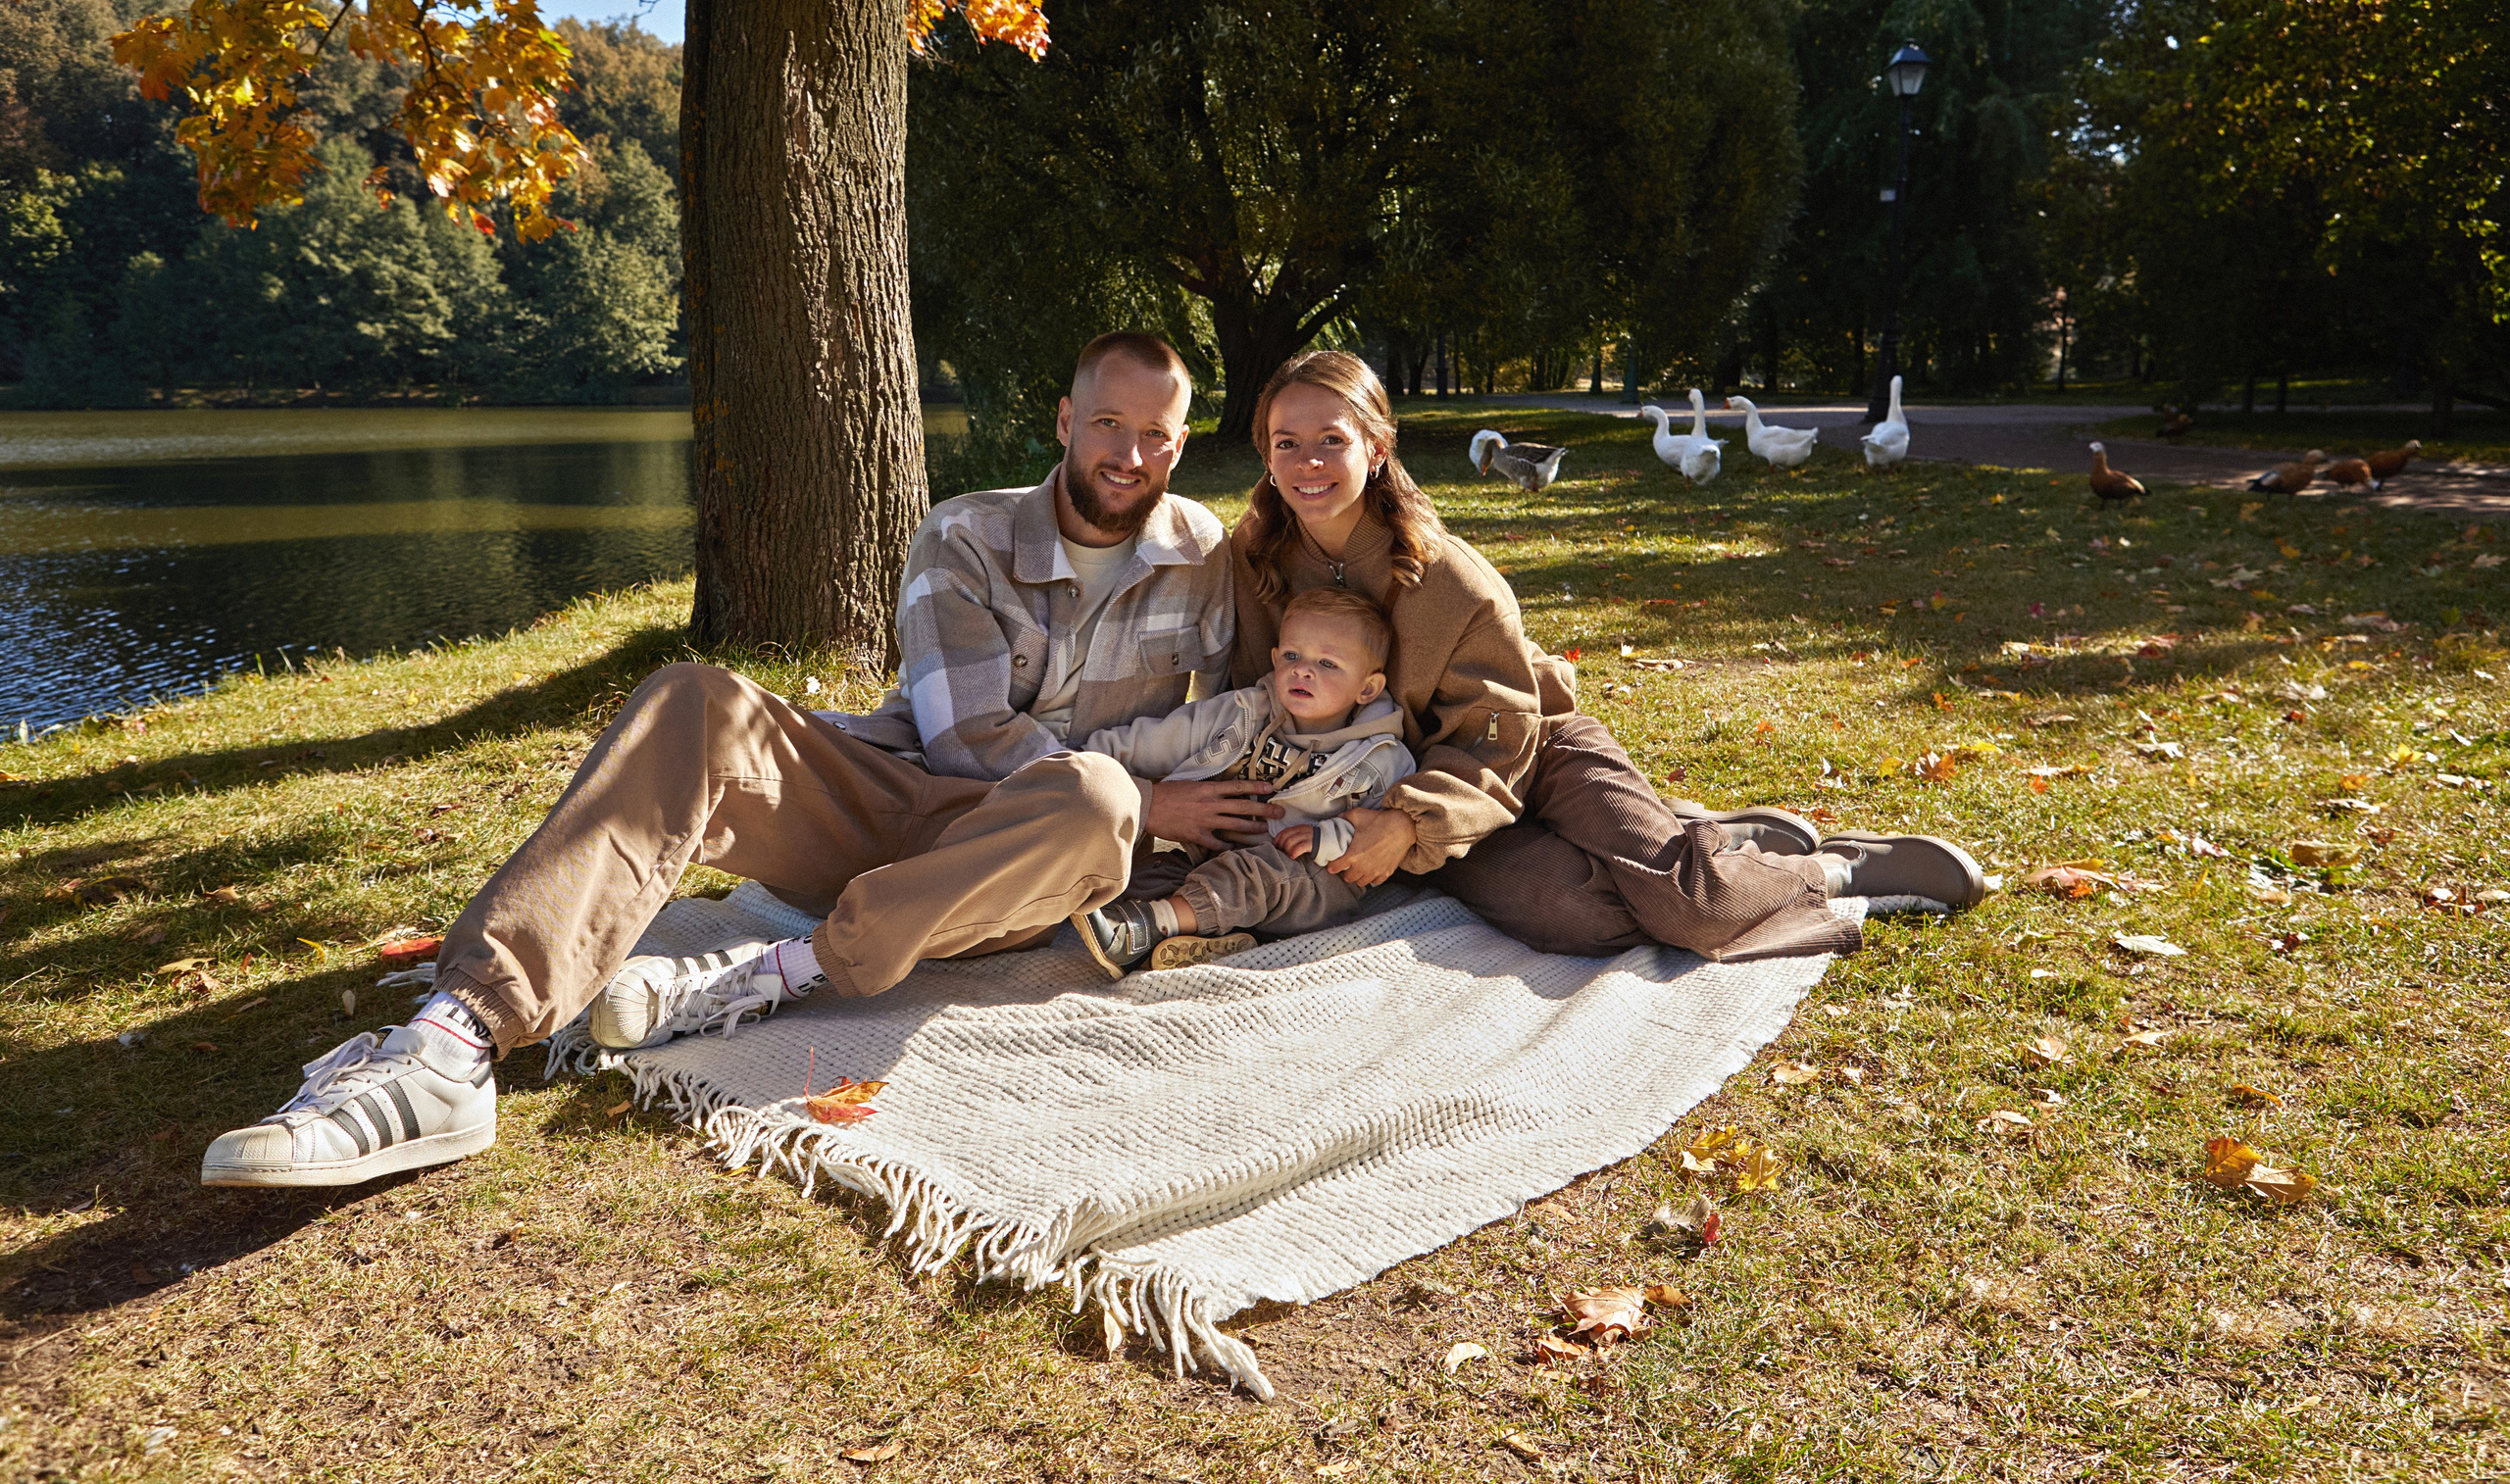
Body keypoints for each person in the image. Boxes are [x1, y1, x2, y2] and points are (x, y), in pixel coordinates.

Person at [201, 332, 1273, 1188]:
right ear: (1066, 421)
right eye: (1107, 423)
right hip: (895, 796)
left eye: (1155, 434)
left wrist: (1189, 822)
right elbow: (965, 740)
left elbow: (1243, 715)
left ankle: (777, 973)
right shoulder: (966, 535)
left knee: (1093, 801)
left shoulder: (1203, 556)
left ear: (1181, 444)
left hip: (1027, 857)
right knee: (695, 699)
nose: (1128, 454)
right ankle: (456, 1039)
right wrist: (1154, 798)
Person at [1229, 350, 1986, 963]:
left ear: (1376, 447)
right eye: (1286, 442)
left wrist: (1406, 822)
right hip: (1438, 803)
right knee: (1581, 918)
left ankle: (1831, 867)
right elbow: (1257, 709)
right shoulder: (1255, 566)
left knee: (1693, 910)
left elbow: (1502, 733)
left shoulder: (1453, 580)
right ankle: (1692, 838)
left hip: (1526, 749)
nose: (1308, 461)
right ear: (1265, 453)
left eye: (1332, 438)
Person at [1068, 584, 1416, 976]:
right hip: (1216, 860)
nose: (1303, 670)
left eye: (1327, 664)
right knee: (1150, 873)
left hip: (1306, 880)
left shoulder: (1379, 756)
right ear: (1275, 658)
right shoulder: (1244, 713)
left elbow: (1379, 835)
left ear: (1367, 688)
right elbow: (1162, 738)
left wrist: (1328, 838)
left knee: (1254, 876)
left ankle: (1144, 930)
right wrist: (1088, 761)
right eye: (1292, 656)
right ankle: (1202, 938)